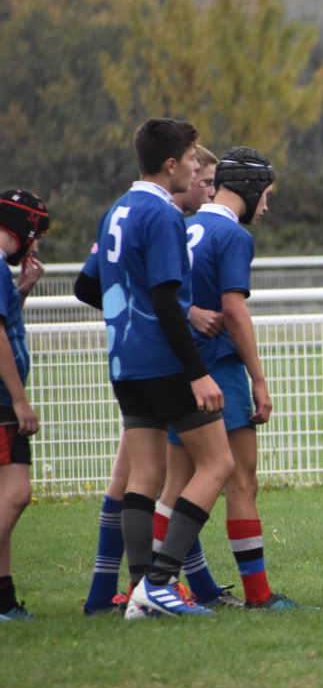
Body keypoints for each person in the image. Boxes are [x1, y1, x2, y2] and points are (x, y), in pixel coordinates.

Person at [74, 117, 235, 617]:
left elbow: (88, 286)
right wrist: (197, 372)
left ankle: (141, 590)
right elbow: (168, 299)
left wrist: (129, 316)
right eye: (191, 158)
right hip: (165, 361)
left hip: (125, 361)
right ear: (171, 164)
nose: (195, 167)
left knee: (143, 476)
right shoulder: (163, 215)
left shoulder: (117, 210)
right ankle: (161, 582)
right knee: (218, 465)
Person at [159, 146, 304, 610]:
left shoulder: (184, 224)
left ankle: (157, 585)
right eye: (267, 195)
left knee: (176, 483)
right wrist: (259, 380)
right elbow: (234, 311)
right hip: (219, 367)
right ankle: (258, 595)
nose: (267, 205)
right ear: (251, 188)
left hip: (177, 367)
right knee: (242, 481)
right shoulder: (234, 234)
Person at [0, 189, 49, 621]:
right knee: (15, 496)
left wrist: (22, 292)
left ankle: (4, 602)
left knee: (4, 496)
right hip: (1, 403)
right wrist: (20, 400)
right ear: (26, 227)